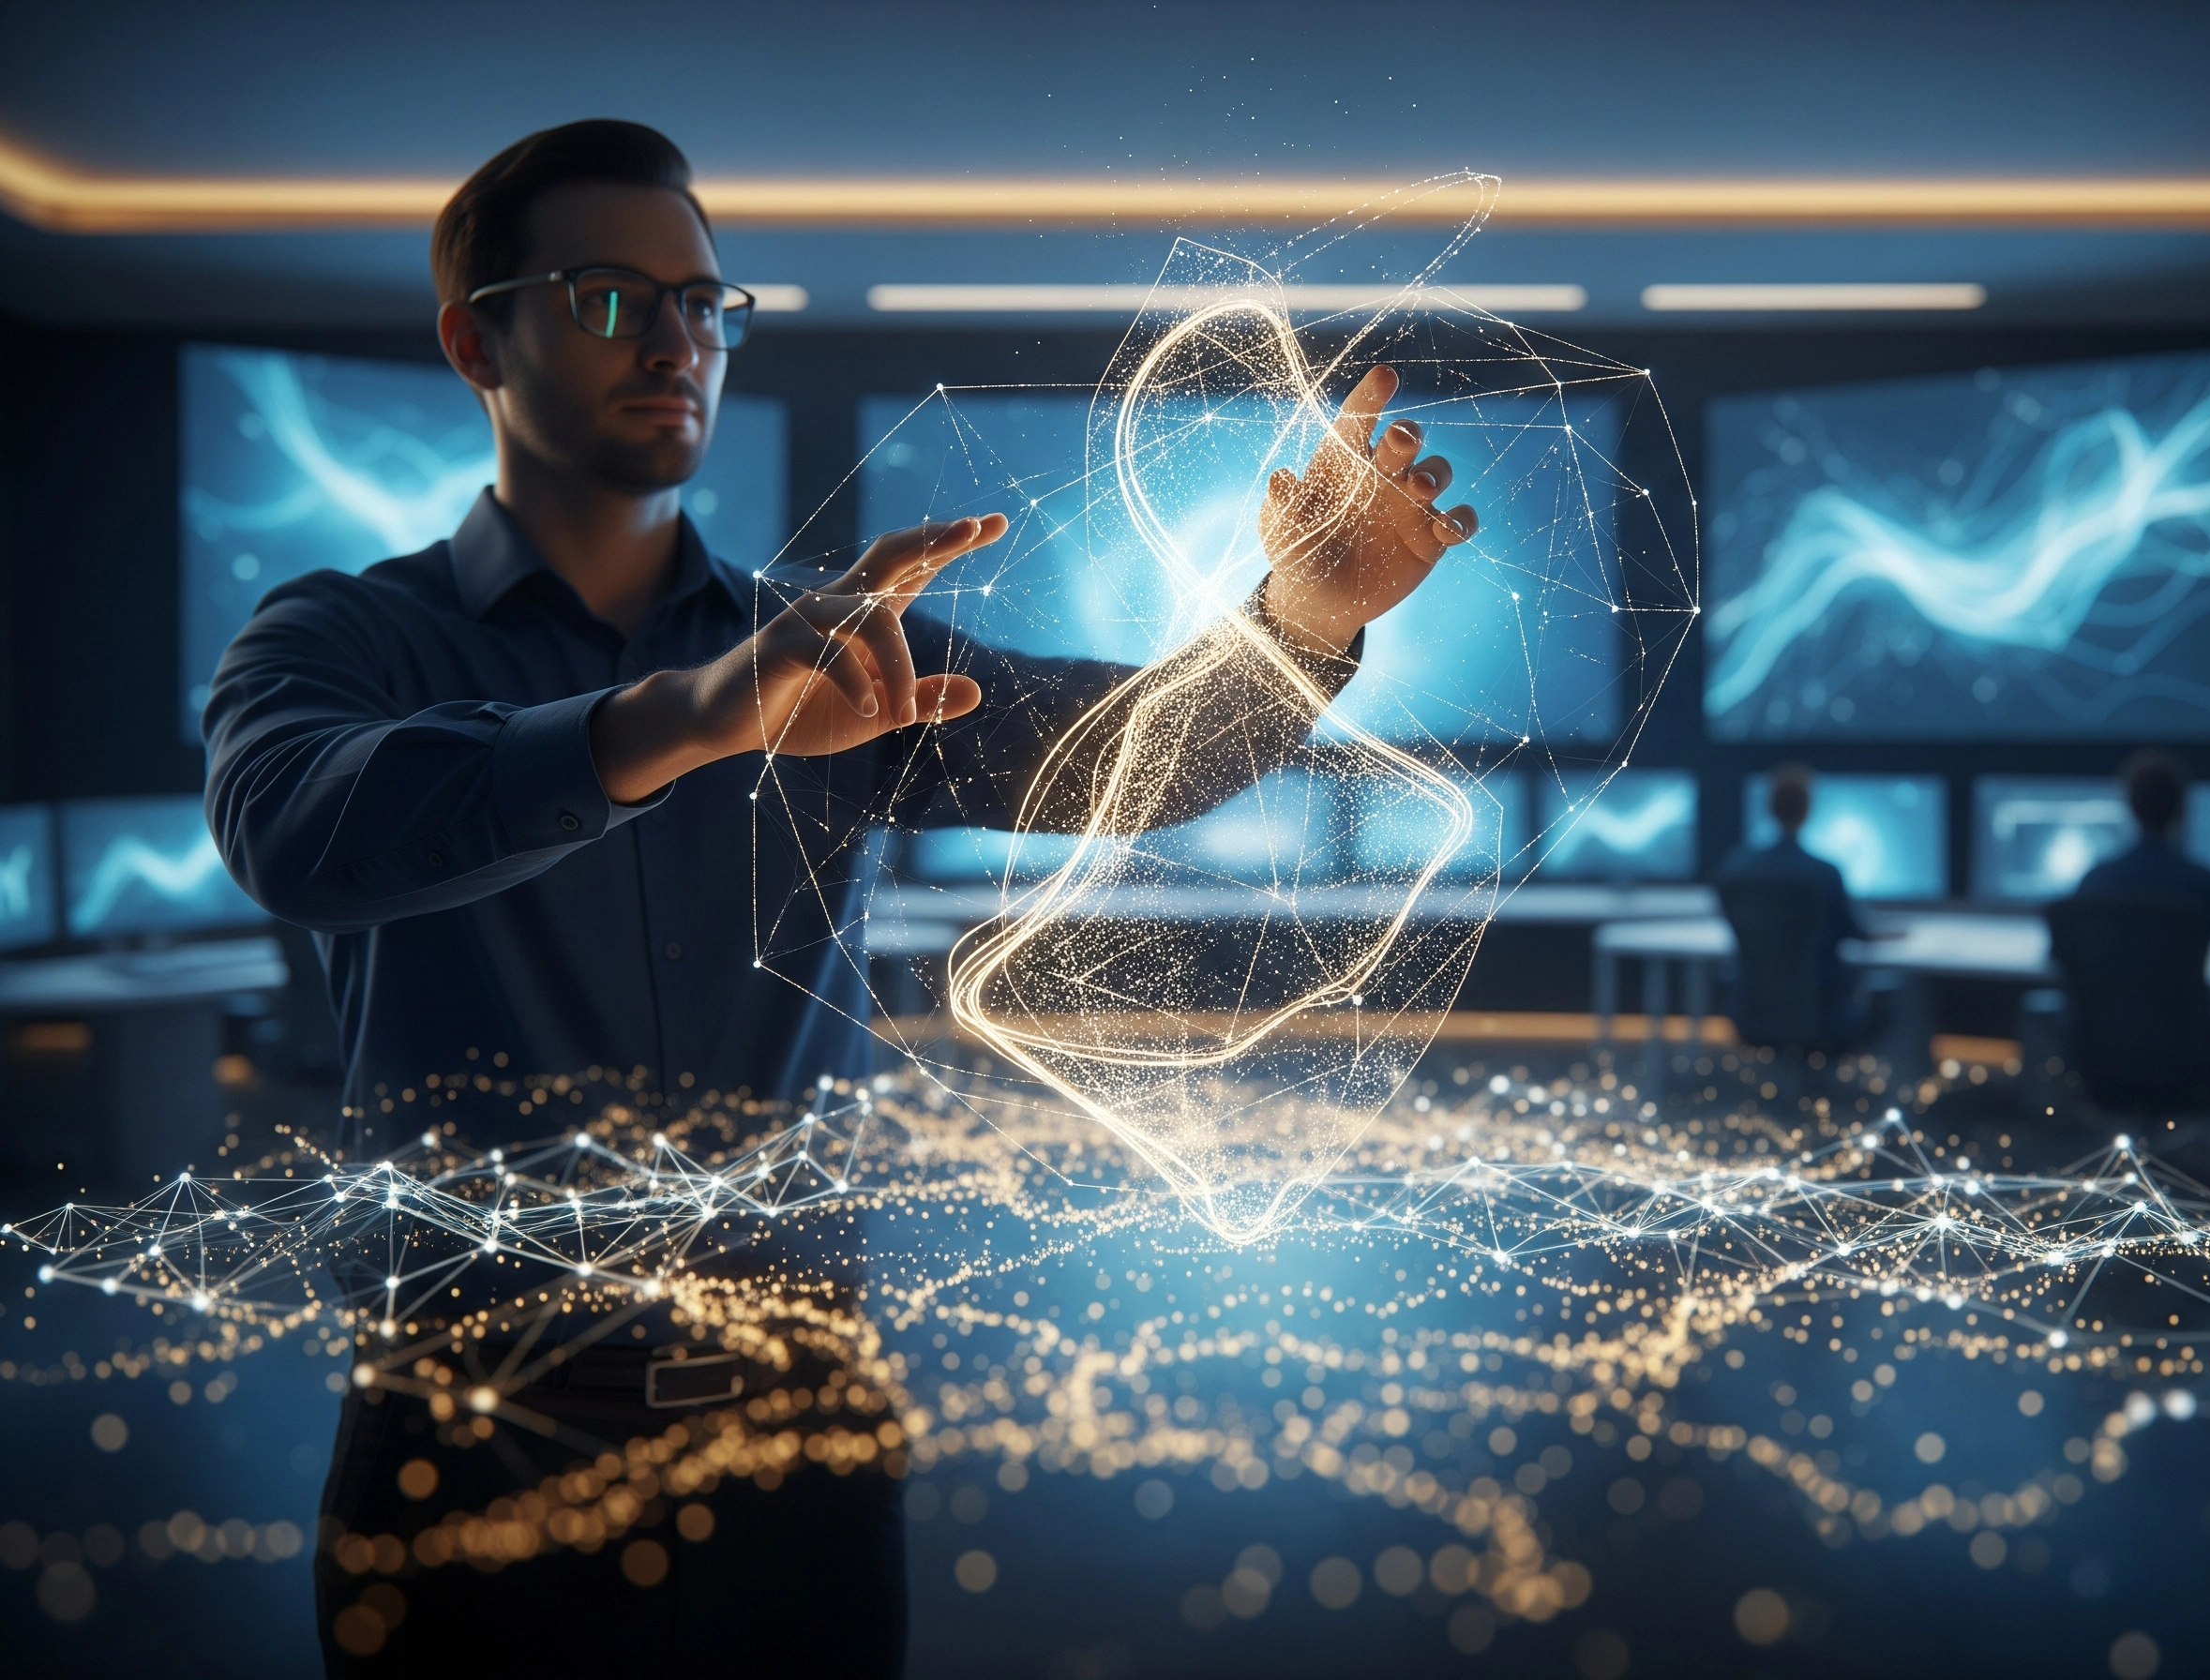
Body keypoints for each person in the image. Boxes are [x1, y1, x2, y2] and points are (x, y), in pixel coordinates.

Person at [203, 120, 1478, 1676]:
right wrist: (693, 719)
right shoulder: (341, 638)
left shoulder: (832, 646)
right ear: (479, 336)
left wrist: (1297, 622)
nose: (677, 337)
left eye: (704, 303)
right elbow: (300, 830)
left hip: (794, 1453)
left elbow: (1110, 760)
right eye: (613, 296)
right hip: (474, 1450)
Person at [2076, 749, 2210, 987]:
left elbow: (2061, 956)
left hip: (2106, 1024)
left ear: (2130, 806)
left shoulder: (2094, 882)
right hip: (2183, 1023)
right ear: (2181, 807)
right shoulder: (2208, 885)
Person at [1714, 763, 1872, 1046]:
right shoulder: (1823, 874)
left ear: (1770, 807)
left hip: (1751, 1010)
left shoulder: (1736, 870)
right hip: (1818, 1011)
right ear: (1807, 809)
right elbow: (1854, 931)